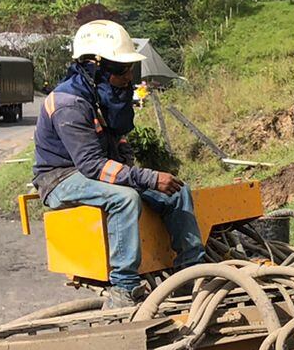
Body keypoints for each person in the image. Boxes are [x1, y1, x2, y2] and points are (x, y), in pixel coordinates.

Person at [33, 18, 204, 309]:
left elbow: (118, 143)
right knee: (125, 198)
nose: (128, 78)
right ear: (94, 67)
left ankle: (191, 276)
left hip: (93, 168)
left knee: (176, 190)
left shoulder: (101, 96)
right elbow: (91, 166)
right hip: (60, 178)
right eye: (121, 70)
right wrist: (147, 179)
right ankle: (123, 287)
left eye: (129, 69)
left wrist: (145, 176)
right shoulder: (68, 104)